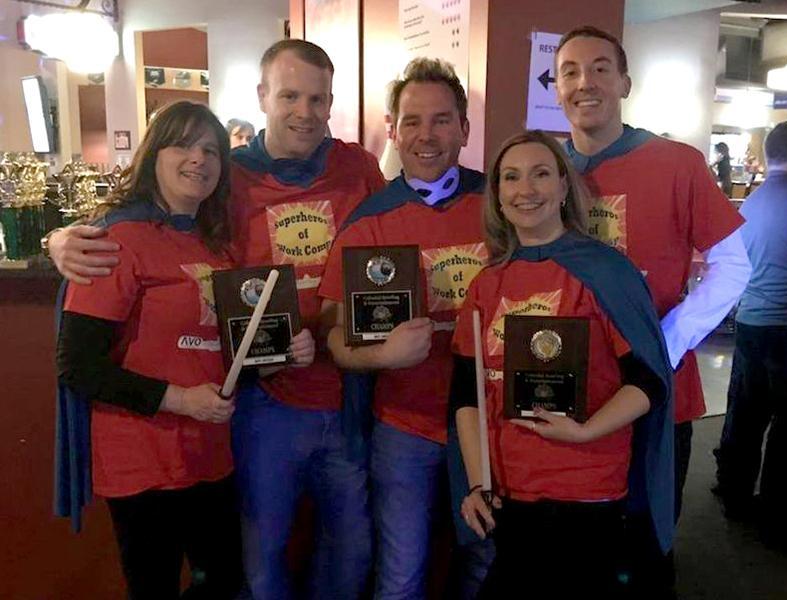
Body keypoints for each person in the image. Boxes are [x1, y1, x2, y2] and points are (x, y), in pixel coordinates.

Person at [48, 39, 385, 600]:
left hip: (324, 400)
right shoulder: (208, 190)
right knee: (248, 566)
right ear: (262, 97)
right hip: (240, 417)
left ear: (331, 103)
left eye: (317, 98)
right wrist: (62, 237)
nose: (304, 110)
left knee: (339, 554)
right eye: (289, 95)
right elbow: (79, 356)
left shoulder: (354, 171)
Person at [554, 25, 751, 592]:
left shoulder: (676, 163)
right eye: (569, 71)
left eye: (599, 68)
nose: (584, 82)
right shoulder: (544, 171)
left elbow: (734, 265)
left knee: (647, 545)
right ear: (557, 87)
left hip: (657, 391)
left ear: (624, 83)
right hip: (571, 387)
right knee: (579, 543)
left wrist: (666, 339)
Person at [452, 129, 673, 597]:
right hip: (511, 494)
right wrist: (477, 483)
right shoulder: (486, 284)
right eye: (510, 177)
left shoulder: (606, 272)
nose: (524, 189)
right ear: (497, 195)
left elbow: (648, 382)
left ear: (563, 187)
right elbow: (466, 392)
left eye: (540, 174)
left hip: (586, 490)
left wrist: (586, 430)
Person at [56, 101, 245, 599]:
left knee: (224, 581)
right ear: (153, 154)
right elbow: (78, 366)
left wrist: (288, 347)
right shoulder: (115, 240)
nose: (199, 159)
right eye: (183, 144)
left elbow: (223, 348)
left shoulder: (217, 247)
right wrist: (182, 400)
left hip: (210, 454)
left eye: (211, 150)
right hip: (143, 461)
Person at [319, 57, 490, 599]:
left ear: (464, 129)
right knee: (401, 577)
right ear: (393, 129)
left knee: (486, 564)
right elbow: (334, 337)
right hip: (405, 428)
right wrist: (382, 356)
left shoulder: (504, 206)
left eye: (442, 120)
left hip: (493, 426)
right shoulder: (368, 220)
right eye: (412, 121)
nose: (426, 135)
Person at [714, 121, 787, 550]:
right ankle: (776, 509)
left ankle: (731, 490)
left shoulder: (750, 203)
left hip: (751, 321)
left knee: (745, 411)